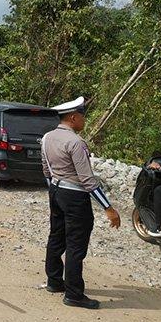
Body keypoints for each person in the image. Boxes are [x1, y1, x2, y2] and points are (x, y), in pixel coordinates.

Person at [41, 96, 121, 310]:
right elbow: (88, 180)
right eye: (83, 116)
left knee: (56, 236)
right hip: (75, 197)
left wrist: (54, 191)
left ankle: (54, 281)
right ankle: (74, 294)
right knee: (76, 246)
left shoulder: (47, 137)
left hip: (56, 191)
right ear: (74, 117)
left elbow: (46, 170)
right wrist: (108, 208)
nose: (84, 121)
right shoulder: (76, 142)